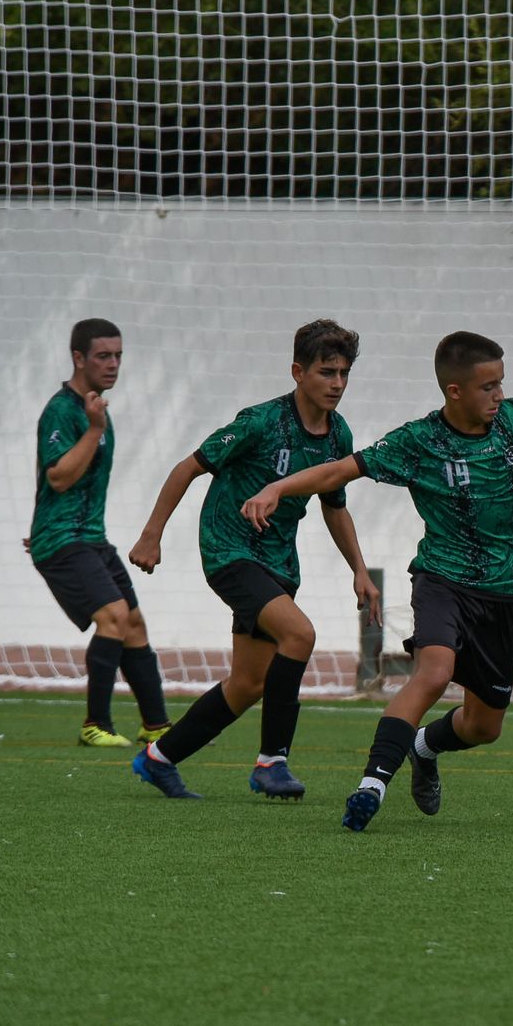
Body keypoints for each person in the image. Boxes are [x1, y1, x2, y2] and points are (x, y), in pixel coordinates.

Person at [238, 331, 513, 831]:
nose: (498, 395)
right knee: (433, 674)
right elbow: (337, 473)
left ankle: (424, 746)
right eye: (488, 387)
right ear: (454, 391)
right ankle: (372, 784)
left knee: (484, 727)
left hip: (503, 596)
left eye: (501, 383)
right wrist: (276, 487)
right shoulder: (419, 441)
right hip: (442, 581)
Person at [126, 319, 380, 800]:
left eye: (345, 373)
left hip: (279, 563)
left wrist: (360, 570)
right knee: (300, 634)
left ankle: (159, 758)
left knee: (247, 683)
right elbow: (189, 467)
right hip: (230, 551)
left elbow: (335, 506)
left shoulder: (336, 435)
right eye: (327, 372)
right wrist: (151, 535)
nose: (338, 384)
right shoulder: (260, 422)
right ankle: (272, 763)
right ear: (297, 372)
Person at [29, 318, 174, 747]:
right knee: (112, 615)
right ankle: (95, 726)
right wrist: (93, 429)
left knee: (134, 622)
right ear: (78, 358)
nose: (113, 365)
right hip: (62, 539)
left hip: (89, 537)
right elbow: (57, 477)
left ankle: (156, 726)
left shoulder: (94, 409)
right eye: (103, 356)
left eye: (118, 356)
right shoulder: (63, 411)